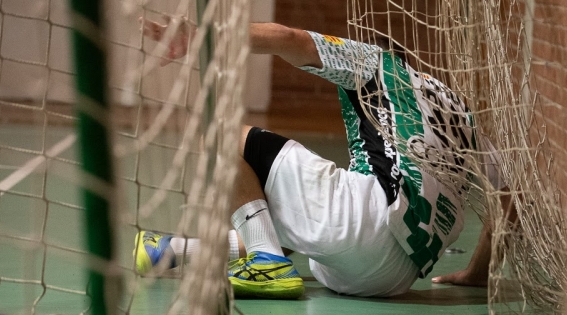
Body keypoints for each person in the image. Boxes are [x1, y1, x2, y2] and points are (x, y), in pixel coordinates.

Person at [133, 19, 511, 299]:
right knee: (295, 206)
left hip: (362, 225)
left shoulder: (372, 62)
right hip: (394, 279)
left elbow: (289, 39)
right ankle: (173, 251)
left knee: (218, 135)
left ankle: (267, 262)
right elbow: (511, 196)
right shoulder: (460, 114)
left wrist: (198, 36)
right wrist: (481, 273)